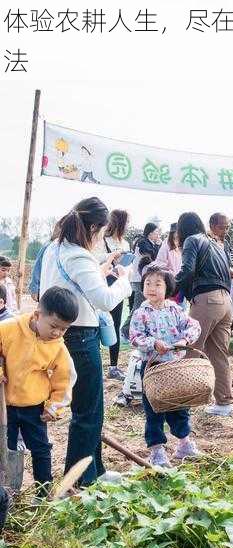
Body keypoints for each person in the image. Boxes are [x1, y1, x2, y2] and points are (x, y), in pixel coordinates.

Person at [40, 197, 132, 486]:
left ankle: (95, 471)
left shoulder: (55, 249)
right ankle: (79, 481)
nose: (102, 236)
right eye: (102, 231)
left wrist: (101, 269)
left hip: (65, 336)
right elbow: (104, 300)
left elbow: (71, 287)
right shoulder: (78, 256)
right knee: (88, 411)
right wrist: (125, 281)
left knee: (90, 408)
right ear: (93, 226)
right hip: (80, 337)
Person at [0, 287, 78, 497]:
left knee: (41, 449)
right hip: (4, 406)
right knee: (4, 450)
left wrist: (54, 407)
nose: (57, 333)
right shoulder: (8, 329)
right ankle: (5, 492)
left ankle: (43, 493)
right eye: (54, 326)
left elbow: (65, 379)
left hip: (34, 409)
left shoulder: (58, 348)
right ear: (37, 315)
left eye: (64, 329)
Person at [175, 212, 233, 417]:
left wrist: (169, 285)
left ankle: (183, 402)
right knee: (219, 354)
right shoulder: (214, 242)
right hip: (226, 302)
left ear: (182, 229)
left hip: (207, 300)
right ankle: (224, 403)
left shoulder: (192, 240)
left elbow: (188, 270)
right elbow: (226, 270)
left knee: (191, 350)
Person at [129, 258, 202, 467]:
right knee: (154, 409)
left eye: (157, 283)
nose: (151, 288)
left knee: (179, 405)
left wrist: (183, 340)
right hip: (152, 368)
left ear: (167, 287)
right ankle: (157, 450)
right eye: (147, 283)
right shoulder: (141, 312)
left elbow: (194, 326)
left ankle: (184, 443)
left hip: (174, 368)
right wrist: (153, 343)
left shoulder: (175, 309)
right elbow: (134, 336)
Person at [96, 209, 131, 381]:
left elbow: (128, 266)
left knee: (114, 325)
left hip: (118, 285)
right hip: (102, 285)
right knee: (97, 324)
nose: (128, 226)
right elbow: (96, 258)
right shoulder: (103, 240)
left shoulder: (125, 243)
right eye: (127, 222)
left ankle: (113, 366)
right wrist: (112, 256)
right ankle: (96, 363)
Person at [121, 221, 162, 339]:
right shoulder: (142, 242)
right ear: (149, 233)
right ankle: (125, 330)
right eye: (156, 232)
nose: (157, 235)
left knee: (143, 305)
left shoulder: (148, 242)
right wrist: (158, 246)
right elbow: (151, 256)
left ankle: (135, 330)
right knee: (138, 306)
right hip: (140, 279)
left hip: (144, 278)